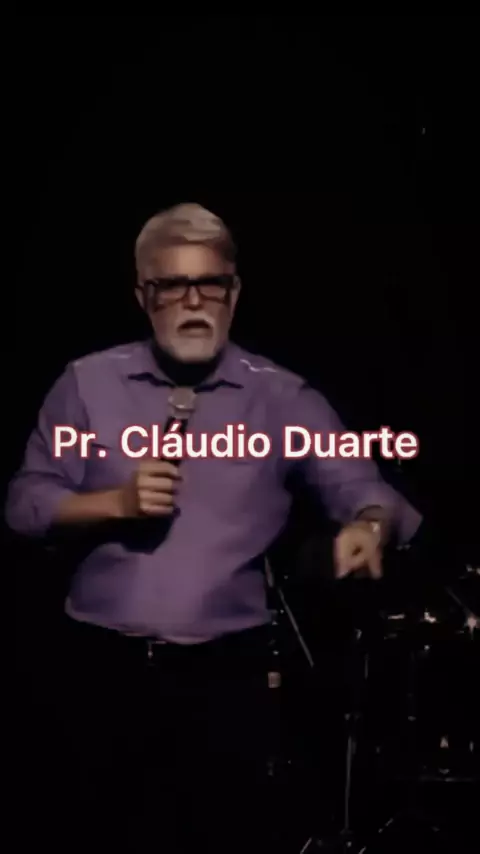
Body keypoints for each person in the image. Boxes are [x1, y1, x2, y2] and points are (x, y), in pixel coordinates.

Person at [7, 203, 422, 853]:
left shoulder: (281, 399)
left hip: (227, 684)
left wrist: (368, 527)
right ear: (143, 296)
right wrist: (114, 502)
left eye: (211, 283)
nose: (194, 302)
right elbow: (26, 505)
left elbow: (365, 490)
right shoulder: (87, 384)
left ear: (235, 292)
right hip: (99, 676)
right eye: (172, 286)